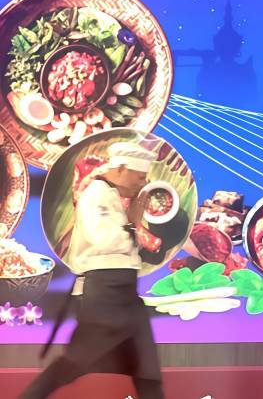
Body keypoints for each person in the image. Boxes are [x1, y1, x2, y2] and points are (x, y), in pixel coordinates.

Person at [21, 141, 164, 399]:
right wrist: (133, 224)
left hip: (125, 295)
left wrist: (131, 224)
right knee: (72, 364)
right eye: (140, 176)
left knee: (148, 370)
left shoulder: (111, 194)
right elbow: (104, 239)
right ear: (121, 168)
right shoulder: (96, 194)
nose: (143, 183)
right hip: (105, 295)